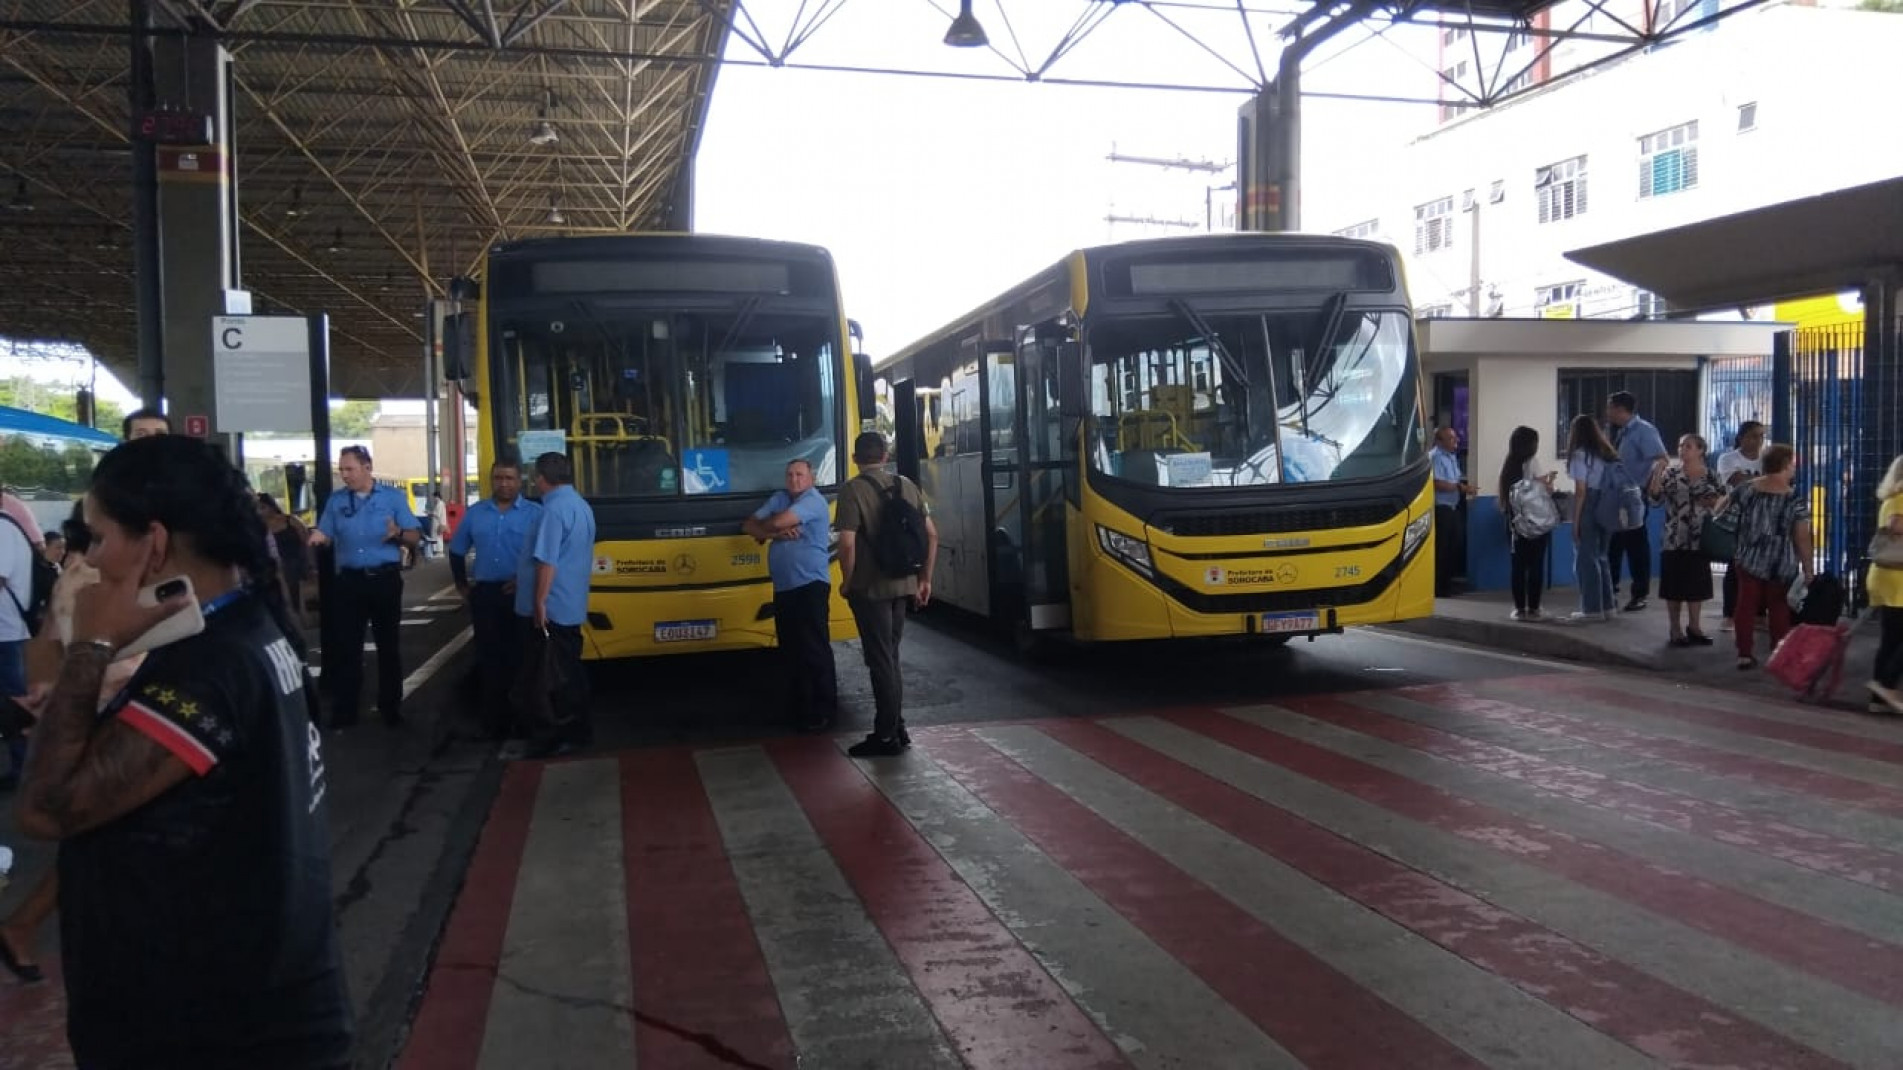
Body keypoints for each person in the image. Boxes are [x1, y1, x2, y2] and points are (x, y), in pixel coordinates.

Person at [13, 434, 352, 1067]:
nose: (85, 562)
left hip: (210, 1032)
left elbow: (48, 808)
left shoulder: (208, 670)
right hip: (256, 1013)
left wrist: (92, 646)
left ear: (155, 543)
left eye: (99, 538)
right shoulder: (248, 625)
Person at [0, 505, 146, 987]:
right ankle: (24, 926)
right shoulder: (102, 582)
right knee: (103, 835)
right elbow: (112, 661)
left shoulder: (74, 575)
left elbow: (45, 646)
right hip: (111, 719)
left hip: (86, 716)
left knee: (98, 835)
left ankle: (22, 926)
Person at [835, 432, 938, 758]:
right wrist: (925, 579)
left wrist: (847, 581)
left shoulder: (852, 490)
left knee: (880, 659)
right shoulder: (907, 484)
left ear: (855, 459)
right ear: (885, 454)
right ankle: (897, 726)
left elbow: (847, 543)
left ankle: (885, 736)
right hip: (904, 583)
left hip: (871, 588)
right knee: (890, 656)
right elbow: (931, 535)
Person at [308, 446, 419, 727]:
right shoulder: (336, 501)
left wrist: (399, 535)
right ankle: (346, 711)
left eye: (350, 469)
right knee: (348, 647)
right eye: (341, 470)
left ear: (367, 467)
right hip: (349, 582)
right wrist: (318, 538)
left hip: (384, 579)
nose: (345, 475)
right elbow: (327, 532)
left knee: (388, 646)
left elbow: (414, 535)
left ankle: (391, 708)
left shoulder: (392, 498)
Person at [449, 460, 541, 740]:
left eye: (509, 478)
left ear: (520, 482)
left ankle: (523, 721)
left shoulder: (536, 514)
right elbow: (456, 550)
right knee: (490, 659)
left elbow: (546, 555)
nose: (504, 483)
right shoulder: (476, 514)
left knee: (522, 659)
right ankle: (494, 722)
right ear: (491, 480)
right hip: (487, 595)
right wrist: (462, 586)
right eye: (498, 478)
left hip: (521, 595)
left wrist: (525, 579)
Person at [744, 458, 838, 732]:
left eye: (799, 474)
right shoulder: (779, 497)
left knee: (814, 648)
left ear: (811, 477)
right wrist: (772, 532)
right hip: (785, 587)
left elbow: (780, 521)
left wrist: (768, 530)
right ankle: (800, 709)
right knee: (791, 650)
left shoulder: (813, 501)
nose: (794, 479)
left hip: (810, 585)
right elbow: (747, 525)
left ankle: (824, 710)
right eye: (790, 475)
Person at [514, 452, 596, 758]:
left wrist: (538, 602)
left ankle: (559, 735)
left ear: (541, 479)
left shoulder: (553, 510)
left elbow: (547, 562)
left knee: (550, 678)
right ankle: (579, 731)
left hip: (552, 608)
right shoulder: (580, 506)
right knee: (570, 671)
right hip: (571, 604)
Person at [1719, 443, 1813, 670]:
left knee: (1745, 604)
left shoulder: (1746, 489)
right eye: (1792, 464)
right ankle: (1778, 654)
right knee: (1779, 607)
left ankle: (1744, 652)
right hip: (1782, 562)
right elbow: (1801, 536)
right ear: (1784, 465)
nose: (1794, 468)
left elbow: (1722, 512)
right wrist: (1808, 568)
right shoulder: (1794, 499)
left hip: (1748, 556)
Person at [1650, 433, 1726, 647]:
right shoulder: (1672, 474)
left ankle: (1695, 626)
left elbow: (1724, 501)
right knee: (1673, 584)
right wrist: (1657, 472)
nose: (1683, 450)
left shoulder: (1711, 475)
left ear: (1701, 450)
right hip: (1674, 536)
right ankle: (1674, 628)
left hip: (1700, 536)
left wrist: (1712, 503)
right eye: (1681, 446)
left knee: (1696, 583)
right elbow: (1655, 499)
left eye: (1689, 446)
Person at [1603, 391, 1670, 612]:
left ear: (1621, 409)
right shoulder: (1619, 432)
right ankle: (1609, 589)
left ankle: (1639, 593)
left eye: (1610, 407)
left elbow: (1661, 458)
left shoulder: (1644, 431)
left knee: (1635, 544)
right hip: (1615, 495)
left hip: (1633, 496)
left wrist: (1653, 483)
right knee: (1614, 544)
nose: (1607, 412)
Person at [1497, 425, 1556, 622]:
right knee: (1536, 565)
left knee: (1518, 566)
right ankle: (1534, 608)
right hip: (1535, 523)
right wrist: (1549, 482)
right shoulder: (1533, 463)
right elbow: (1543, 491)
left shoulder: (1509, 464)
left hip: (1514, 522)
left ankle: (1519, 609)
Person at [1566, 414, 1620, 623]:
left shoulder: (1580, 456)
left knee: (1586, 558)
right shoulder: (1607, 454)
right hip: (1609, 505)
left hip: (1590, 503)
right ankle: (1608, 606)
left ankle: (1591, 609)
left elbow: (1581, 490)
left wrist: (1575, 520)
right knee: (1602, 556)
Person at [1715, 421, 1767, 631]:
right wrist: (1767, 481)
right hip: (1739, 519)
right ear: (1742, 437)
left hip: (1765, 519)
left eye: (1761, 436)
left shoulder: (1767, 458)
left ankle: (1759, 614)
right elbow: (1738, 481)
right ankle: (1730, 613)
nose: (1758, 441)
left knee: (1763, 567)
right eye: (1754, 436)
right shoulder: (1728, 459)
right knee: (1736, 567)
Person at [1865, 455, 1903, 715]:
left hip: (1887, 577)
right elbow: (1896, 526)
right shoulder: (1899, 500)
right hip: (1897, 579)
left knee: (1891, 638)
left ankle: (1877, 699)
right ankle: (1887, 686)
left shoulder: (1891, 498)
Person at [1429, 426, 1476, 597]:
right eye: (1450, 439)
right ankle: (1438, 587)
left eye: (1455, 438)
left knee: (1453, 547)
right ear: (1439, 441)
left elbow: (1455, 478)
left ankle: (1448, 583)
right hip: (1440, 508)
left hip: (1453, 507)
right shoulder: (1435, 457)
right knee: (1442, 549)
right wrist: (1460, 487)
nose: (1455, 441)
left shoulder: (1451, 457)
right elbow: (1437, 483)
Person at [259, 494, 312, 626]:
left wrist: (310, 563)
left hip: (297, 560)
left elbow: (306, 540)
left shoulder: (290, 520)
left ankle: (298, 611)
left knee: (290, 568)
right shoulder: (261, 529)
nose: (260, 511)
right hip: (278, 565)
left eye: (262, 507)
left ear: (271, 506)